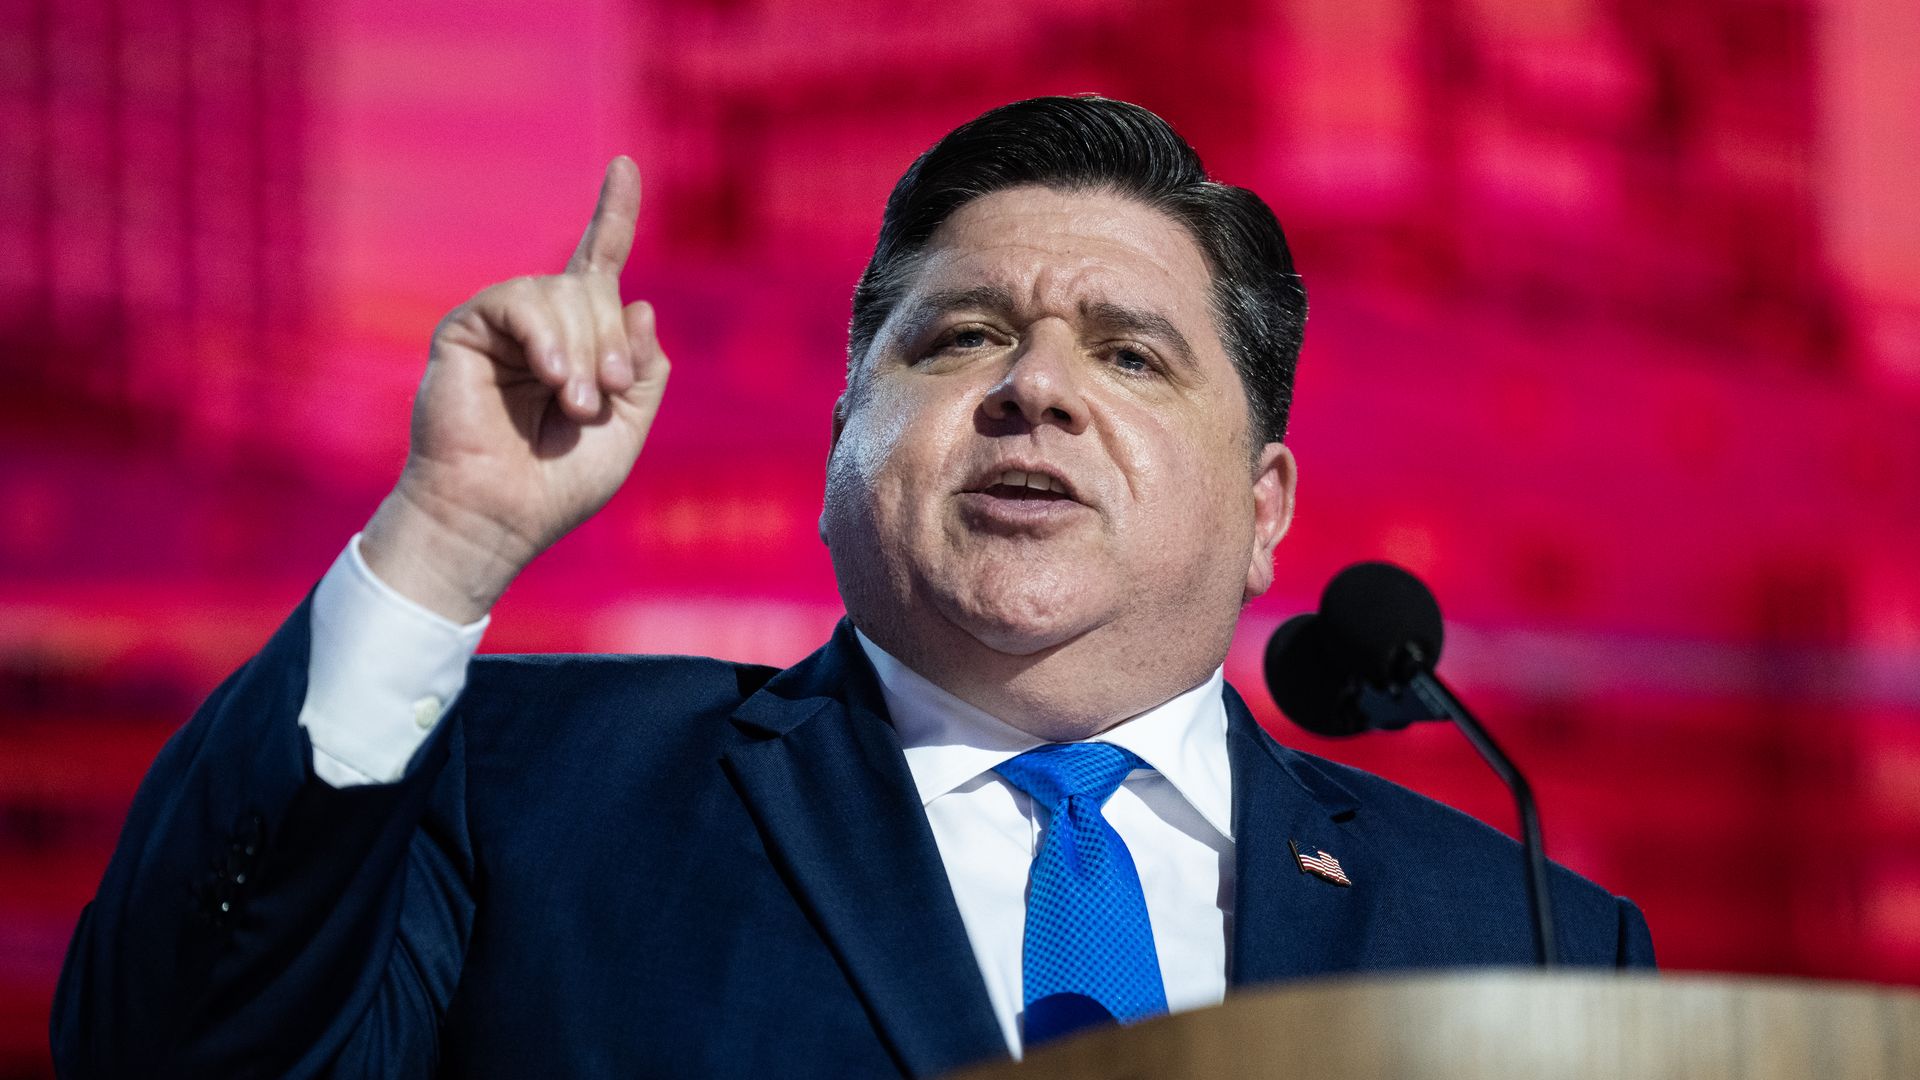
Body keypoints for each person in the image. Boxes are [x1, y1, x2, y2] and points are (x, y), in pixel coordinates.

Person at [52, 96, 1652, 1079]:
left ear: (1263, 511)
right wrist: (445, 538)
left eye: (1131, 353)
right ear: (842, 441)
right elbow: (181, 1052)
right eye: (959, 338)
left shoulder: (1534, 944)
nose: (1034, 389)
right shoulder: (523, 795)